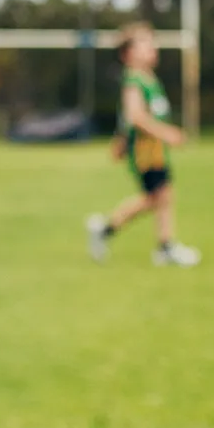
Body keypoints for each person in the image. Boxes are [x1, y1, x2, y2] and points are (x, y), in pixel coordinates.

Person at [86, 21, 201, 267]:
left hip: (154, 149)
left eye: (152, 42)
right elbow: (135, 117)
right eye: (145, 43)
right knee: (157, 196)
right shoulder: (134, 81)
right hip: (145, 150)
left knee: (161, 197)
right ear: (128, 54)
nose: (152, 47)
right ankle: (110, 231)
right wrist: (166, 133)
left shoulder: (148, 79)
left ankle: (163, 245)